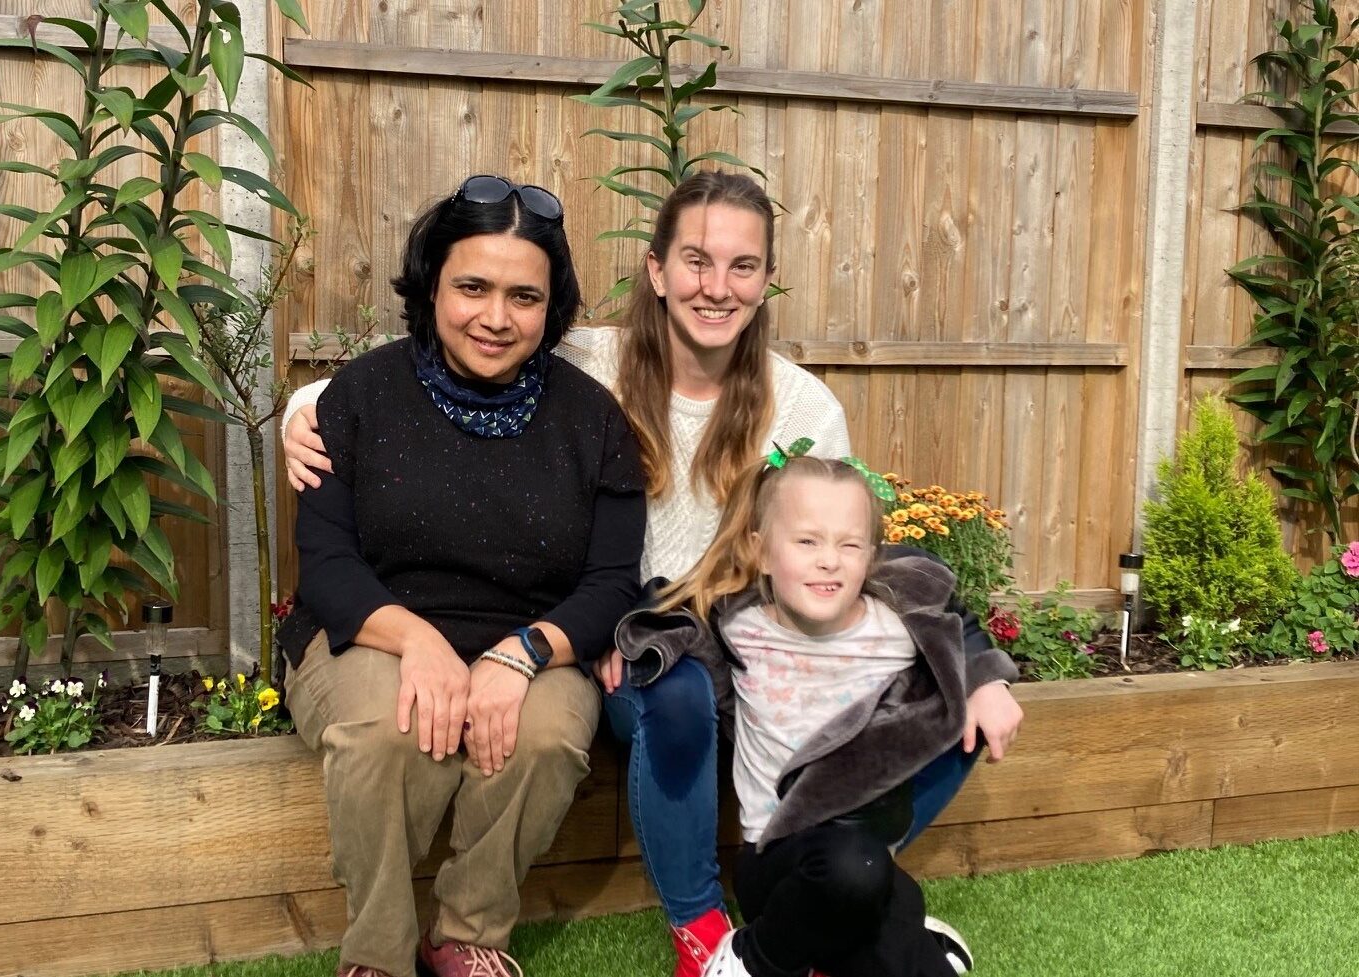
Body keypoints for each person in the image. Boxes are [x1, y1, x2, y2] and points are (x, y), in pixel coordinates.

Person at [281, 171, 1022, 977]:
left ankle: (828, 890)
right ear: (656, 269)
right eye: (697, 261)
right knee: (659, 695)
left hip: (696, 635)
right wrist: (301, 409)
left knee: (936, 701)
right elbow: (411, 383)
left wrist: (975, 661)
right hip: (628, 644)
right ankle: (690, 922)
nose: (717, 287)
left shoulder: (782, 409)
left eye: (743, 266)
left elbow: (846, 547)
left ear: (768, 278)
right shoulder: (587, 361)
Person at [277, 174, 646, 977]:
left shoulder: (593, 421)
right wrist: (421, 643)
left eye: (524, 296)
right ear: (431, 285)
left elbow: (614, 582)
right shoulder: (361, 397)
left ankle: (466, 935)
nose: (495, 316)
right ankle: (376, 952)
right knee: (385, 730)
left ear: (552, 308)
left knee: (544, 736)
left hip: (534, 639)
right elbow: (329, 568)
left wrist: (520, 654)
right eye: (472, 287)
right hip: (369, 629)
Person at [621, 452, 1021, 977]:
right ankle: (751, 959)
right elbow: (669, 606)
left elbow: (952, 616)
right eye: (807, 542)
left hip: (869, 846)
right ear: (761, 553)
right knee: (856, 873)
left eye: (848, 545)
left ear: (872, 557)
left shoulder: (898, 628)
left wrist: (986, 679)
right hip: (778, 856)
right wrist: (632, 641)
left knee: (892, 932)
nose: (828, 560)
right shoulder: (741, 623)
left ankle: (915, 947)